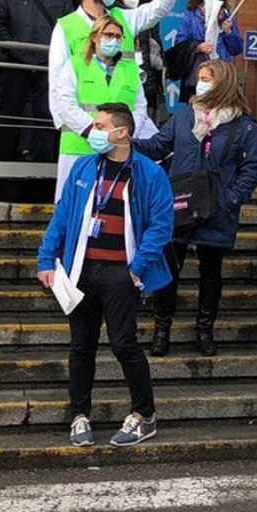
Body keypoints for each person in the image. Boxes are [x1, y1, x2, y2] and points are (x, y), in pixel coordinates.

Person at [36, 103, 172, 449]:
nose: (93, 131)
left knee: (125, 344)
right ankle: (79, 414)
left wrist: (137, 269)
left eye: (100, 125)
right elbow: (62, 216)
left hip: (122, 273)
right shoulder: (84, 167)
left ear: (122, 132)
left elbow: (161, 226)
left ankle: (145, 414)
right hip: (82, 269)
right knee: (81, 346)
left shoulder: (148, 173)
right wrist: (46, 259)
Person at [148, 60, 257, 356]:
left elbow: (251, 168)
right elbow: (159, 146)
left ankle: (204, 330)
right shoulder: (184, 116)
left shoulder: (242, 125)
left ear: (222, 82)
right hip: (180, 205)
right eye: (199, 78)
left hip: (216, 210)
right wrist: (123, 142)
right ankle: (162, 330)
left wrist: (230, 199)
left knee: (211, 274)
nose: (200, 84)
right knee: (169, 270)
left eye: (207, 79)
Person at [48, 0, 183, 196]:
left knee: (117, 200)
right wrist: (75, 126)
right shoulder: (66, 26)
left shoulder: (122, 19)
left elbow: (158, 9)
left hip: (122, 134)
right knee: (75, 202)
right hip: (82, 137)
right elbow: (57, 83)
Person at [0, 0, 74, 162]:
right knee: (10, 113)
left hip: (48, 68)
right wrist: (13, 48)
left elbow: (70, 31)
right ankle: (3, 161)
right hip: (16, 64)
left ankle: (42, 161)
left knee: (46, 114)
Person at [172, 0, 244, 102]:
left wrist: (229, 32)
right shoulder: (191, 15)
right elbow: (180, 42)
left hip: (222, 75)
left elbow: (237, 49)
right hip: (199, 74)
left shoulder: (226, 15)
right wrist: (198, 47)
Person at [116, 0, 167, 120]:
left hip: (147, 79)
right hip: (124, 80)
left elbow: (156, 49)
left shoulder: (144, 18)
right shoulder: (114, 15)